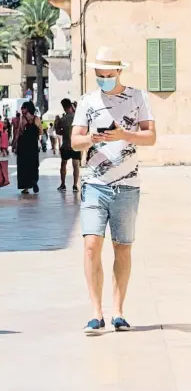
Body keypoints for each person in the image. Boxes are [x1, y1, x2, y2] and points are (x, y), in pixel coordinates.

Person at [71, 46, 156, 335]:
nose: (103, 79)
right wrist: (91, 138)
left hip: (127, 185)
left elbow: (150, 136)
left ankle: (118, 312)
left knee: (122, 247)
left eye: (108, 74)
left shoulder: (137, 97)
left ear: (119, 71)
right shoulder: (87, 100)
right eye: (99, 74)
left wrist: (124, 135)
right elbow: (74, 141)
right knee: (91, 245)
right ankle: (96, 313)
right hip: (94, 183)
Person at [16, 101, 42, 194]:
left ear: (27, 108)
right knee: (34, 164)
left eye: (23, 108)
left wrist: (15, 144)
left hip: (24, 145)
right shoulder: (37, 119)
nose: (22, 110)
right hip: (33, 145)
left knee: (23, 166)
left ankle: (26, 187)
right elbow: (40, 132)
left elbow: (20, 131)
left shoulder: (22, 119)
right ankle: (34, 180)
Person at [56, 98, 80, 192]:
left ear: (64, 107)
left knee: (63, 164)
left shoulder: (63, 119)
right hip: (76, 144)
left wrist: (63, 130)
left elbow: (58, 131)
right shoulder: (77, 117)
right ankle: (75, 185)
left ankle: (63, 184)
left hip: (66, 145)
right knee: (76, 165)